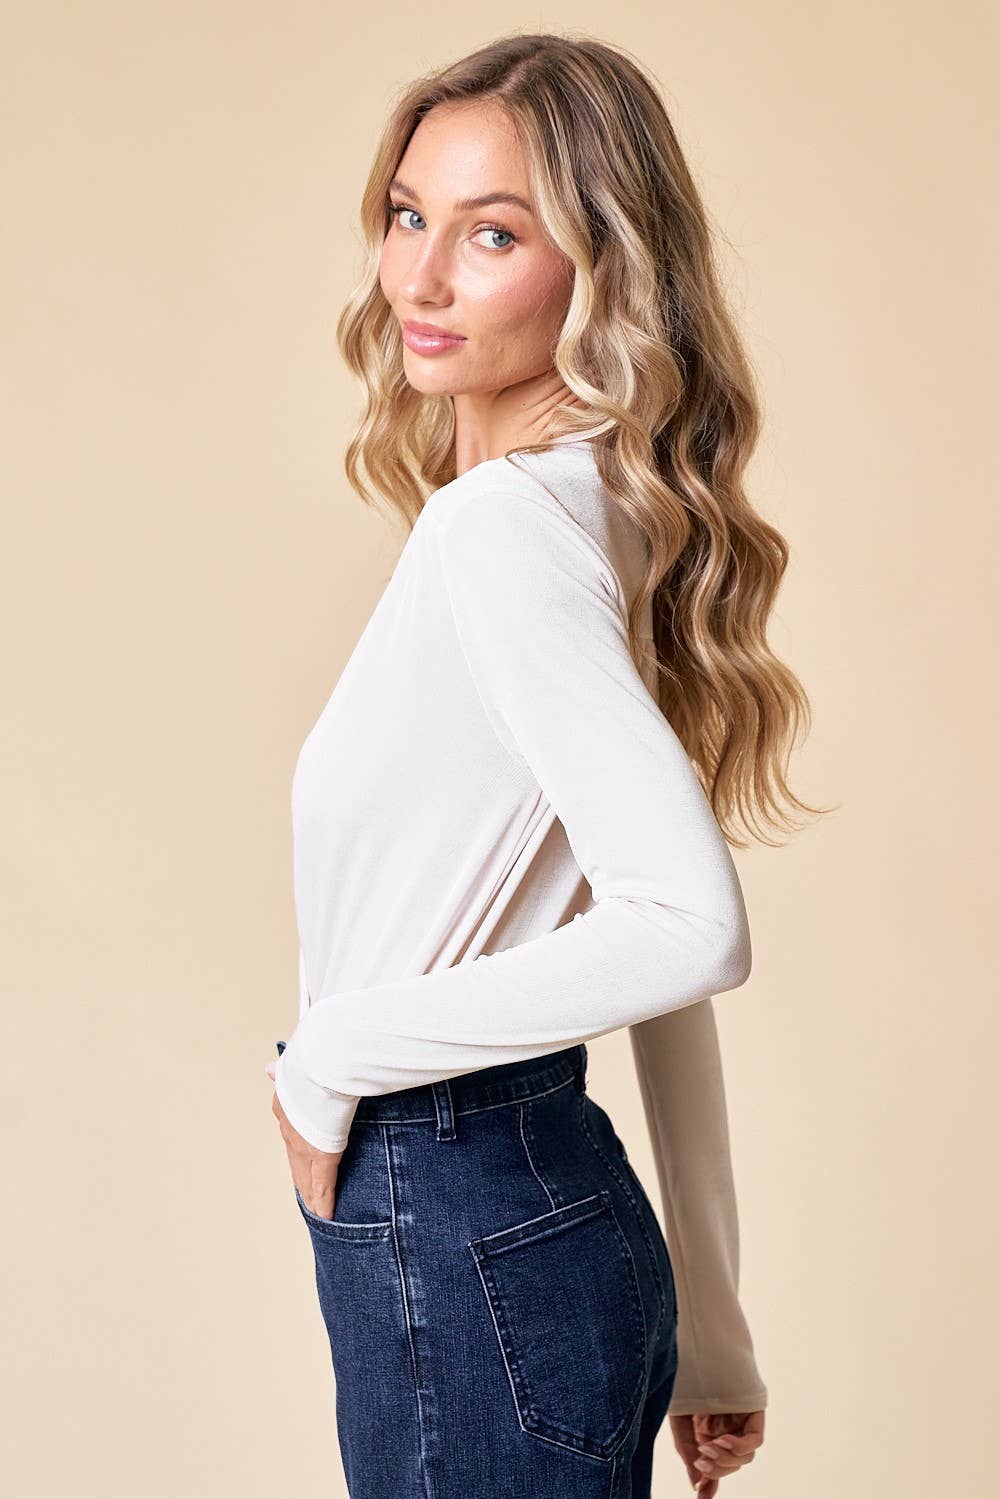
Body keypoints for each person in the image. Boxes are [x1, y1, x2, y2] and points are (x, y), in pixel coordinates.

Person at [265, 30, 823, 1499]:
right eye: (408, 216)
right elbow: (640, 952)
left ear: (604, 269)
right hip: (532, 1220)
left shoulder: (505, 530)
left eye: (494, 234)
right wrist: (714, 1324)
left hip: (457, 1212)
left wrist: (331, 1057)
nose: (420, 279)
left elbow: (687, 930)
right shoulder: (600, 514)